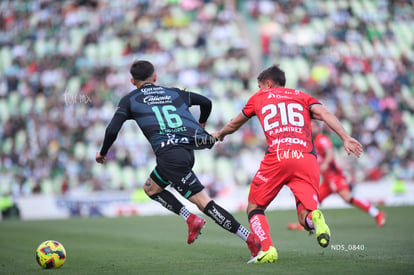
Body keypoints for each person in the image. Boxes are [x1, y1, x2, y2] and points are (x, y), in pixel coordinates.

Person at [95, 60, 261, 260]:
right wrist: (201, 123)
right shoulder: (175, 93)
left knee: (204, 204)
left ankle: (250, 239)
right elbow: (206, 102)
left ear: (132, 81)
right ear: (155, 77)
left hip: (169, 156)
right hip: (186, 151)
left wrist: (103, 152)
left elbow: (112, 129)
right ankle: (191, 219)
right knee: (151, 188)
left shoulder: (130, 100)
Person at [213, 65, 363, 264]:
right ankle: (315, 219)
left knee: (254, 207)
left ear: (268, 83)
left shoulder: (259, 98)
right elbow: (326, 115)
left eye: (259, 86)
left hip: (278, 156)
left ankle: (268, 250)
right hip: (306, 158)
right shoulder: (303, 96)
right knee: (304, 217)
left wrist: (220, 134)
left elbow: (234, 123)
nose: (258, 91)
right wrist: (345, 137)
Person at [287, 121, 386, 231]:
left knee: (347, 197)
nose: (310, 128)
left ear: (318, 128)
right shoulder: (312, 142)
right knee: (313, 199)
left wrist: (325, 163)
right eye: (309, 126)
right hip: (327, 180)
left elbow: (329, 152)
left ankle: (377, 213)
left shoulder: (321, 139)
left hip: (334, 176)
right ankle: (306, 223)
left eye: (313, 126)